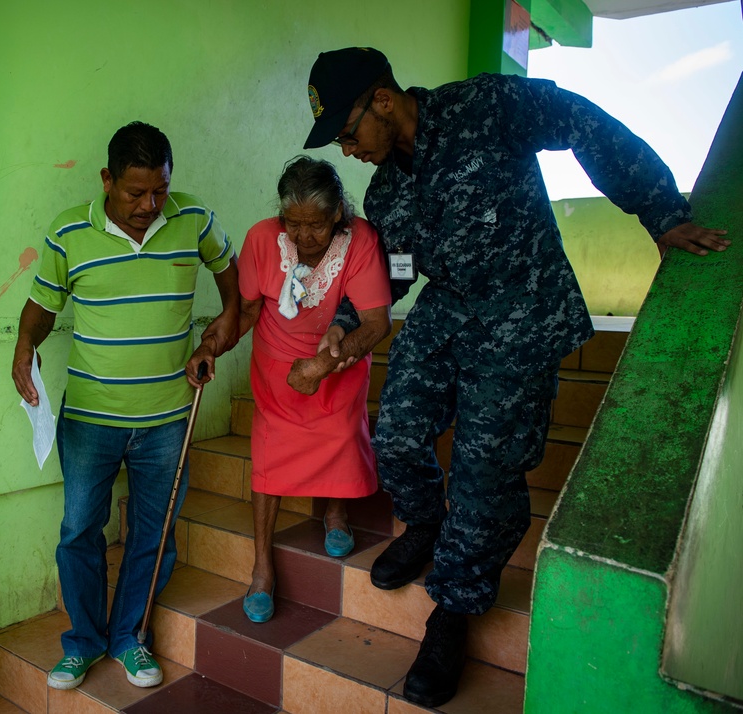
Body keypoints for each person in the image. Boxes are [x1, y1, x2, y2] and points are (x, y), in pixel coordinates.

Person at [301, 47, 730, 707]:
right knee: (396, 434)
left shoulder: (487, 106)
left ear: (382, 100)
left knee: (484, 468)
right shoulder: (386, 188)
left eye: (348, 131)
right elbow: (396, 269)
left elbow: (583, 122)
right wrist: (347, 321)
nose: (348, 149)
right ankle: (423, 524)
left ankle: (454, 610)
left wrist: (662, 212)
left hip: (521, 306)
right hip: (448, 310)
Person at [11, 121, 240, 691]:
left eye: (160, 189)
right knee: (80, 530)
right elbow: (41, 306)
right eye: (135, 192)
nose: (149, 205)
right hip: (91, 419)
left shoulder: (195, 220)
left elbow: (235, 297)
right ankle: (84, 641)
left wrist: (211, 343)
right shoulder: (69, 232)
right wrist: (23, 349)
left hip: (167, 420)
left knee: (152, 531)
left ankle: (129, 636)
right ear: (107, 180)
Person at [188, 156, 391, 623]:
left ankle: (336, 513)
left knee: (340, 431)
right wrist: (210, 346)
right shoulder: (263, 238)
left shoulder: (360, 241)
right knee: (270, 456)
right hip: (277, 366)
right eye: (292, 223)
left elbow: (376, 322)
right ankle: (262, 568)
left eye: (315, 225)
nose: (303, 237)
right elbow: (245, 311)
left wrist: (323, 364)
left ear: (338, 212)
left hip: (336, 358)